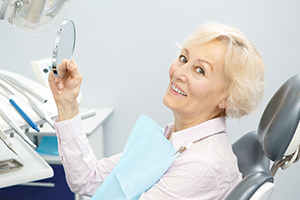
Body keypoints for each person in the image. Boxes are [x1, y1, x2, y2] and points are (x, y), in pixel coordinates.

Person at [48, 22, 265, 199]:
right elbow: (87, 178)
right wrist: (67, 102)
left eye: (200, 70)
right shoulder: (172, 139)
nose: (179, 72)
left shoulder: (203, 163)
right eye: (183, 58)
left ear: (227, 97)